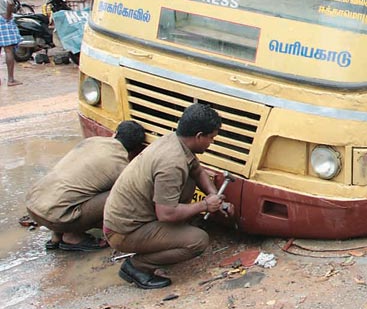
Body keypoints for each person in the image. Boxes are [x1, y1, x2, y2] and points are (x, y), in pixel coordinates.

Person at [103, 103, 233, 289]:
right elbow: (167, 214)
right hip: (123, 232)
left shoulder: (174, 140)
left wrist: (215, 197)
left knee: (189, 180)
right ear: (198, 136)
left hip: (131, 218)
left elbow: (197, 170)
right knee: (198, 240)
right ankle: (138, 266)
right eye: (211, 138)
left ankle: (165, 238)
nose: (211, 143)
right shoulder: (171, 164)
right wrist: (205, 205)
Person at [25, 120, 146, 251]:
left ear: (115, 133)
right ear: (136, 148)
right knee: (120, 193)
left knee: (72, 184)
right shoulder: (121, 165)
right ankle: (72, 236)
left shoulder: (91, 142)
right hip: (57, 217)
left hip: (33, 204)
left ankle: (56, 235)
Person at [0, 0, 22, 86]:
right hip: (3, 20)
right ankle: (10, 79)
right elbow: (10, 3)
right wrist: (8, 15)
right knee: (8, 50)